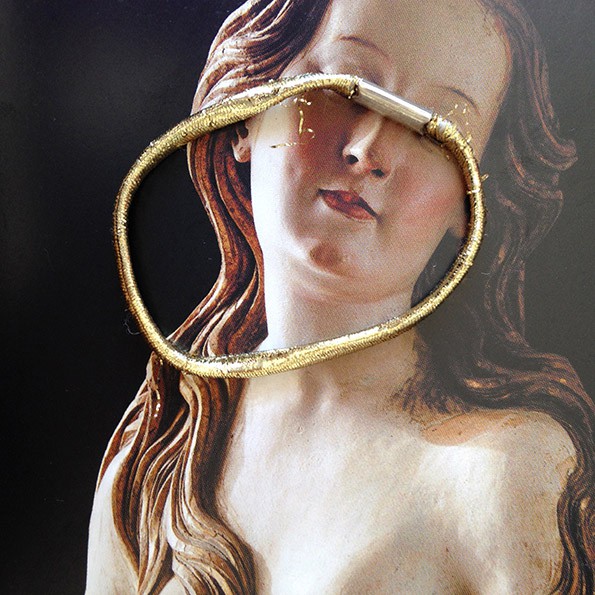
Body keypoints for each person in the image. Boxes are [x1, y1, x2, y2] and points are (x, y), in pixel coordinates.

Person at [87, 0, 594, 593]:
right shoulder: (155, 456)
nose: (369, 150)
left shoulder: (505, 478)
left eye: (436, 126)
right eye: (344, 85)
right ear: (248, 111)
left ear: (470, 203)